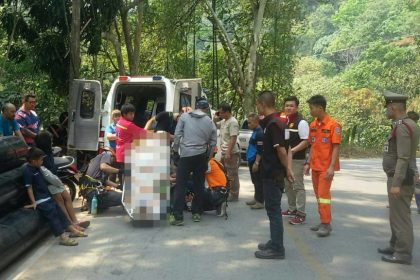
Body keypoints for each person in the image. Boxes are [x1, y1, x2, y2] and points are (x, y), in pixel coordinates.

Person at [379, 92, 419, 265]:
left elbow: (404, 157)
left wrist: (396, 183)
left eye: (387, 107)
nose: (386, 111)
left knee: (401, 216)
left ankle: (402, 253)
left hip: (399, 178)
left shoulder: (402, 126)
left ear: (393, 107)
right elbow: (411, 155)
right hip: (400, 176)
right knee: (396, 215)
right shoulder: (405, 124)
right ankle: (395, 245)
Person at [254, 90, 293, 260]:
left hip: (273, 174)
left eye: (258, 104)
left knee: (274, 211)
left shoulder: (274, 124)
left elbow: (282, 150)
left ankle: (277, 248)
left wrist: (288, 169)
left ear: (263, 104)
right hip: (271, 173)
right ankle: (274, 241)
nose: (257, 108)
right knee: (272, 210)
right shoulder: (278, 121)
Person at [23, 148, 87, 246]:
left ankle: (72, 230)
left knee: (60, 213)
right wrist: (33, 202)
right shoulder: (28, 171)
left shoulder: (38, 168)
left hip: (47, 197)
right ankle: (63, 237)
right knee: (53, 217)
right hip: (41, 200)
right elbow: (29, 188)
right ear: (33, 161)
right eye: (41, 160)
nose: (42, 161)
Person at [170, 97, 217, 225]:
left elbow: (177, 135)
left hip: (185, 156)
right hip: (201, 156)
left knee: (181, 185)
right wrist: (208, 157)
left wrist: (175, 152)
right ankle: (197, 212)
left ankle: (178, 217)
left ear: (196, 106)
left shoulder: (185, 117)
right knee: (199, 185)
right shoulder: (209, 121)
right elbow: (213, 143)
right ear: (207, 108)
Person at [35, 131, 89, 231]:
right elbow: (45, 172)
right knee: (60, 202)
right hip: (50, 182)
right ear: (45, 142)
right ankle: (69, 224)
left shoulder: (48, 152)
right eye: (50, 140)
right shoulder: (41, 155)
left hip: (56, 180)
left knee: (67, 197)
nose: (52, 141)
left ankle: (75, 221)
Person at [304, 95, 341, 238]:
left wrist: (332, 167)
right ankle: (323, 221)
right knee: (319, 195)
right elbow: (312, 146)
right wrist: (308, 163)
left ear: (320, 108)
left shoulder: (333, 125)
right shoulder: (313, 125)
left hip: (326, 168)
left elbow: (336, 148)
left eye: (312, 108)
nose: (310, 111)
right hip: (315, 166)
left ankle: (326, 224)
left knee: (324, 195)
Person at [281, 96, 309, 225]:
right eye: (287, 105)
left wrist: (293, 151)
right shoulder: (285, 121)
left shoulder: (301, 122)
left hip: (297, 159)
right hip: (286, 159)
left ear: (296, 107)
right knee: (288, 185)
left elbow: (306, 141)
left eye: (291, 106)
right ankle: (292, 209)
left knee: (297, 185)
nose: (288, 108)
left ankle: (301, 214)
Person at [80, 147, 123, 212]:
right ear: (113, 155)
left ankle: (93, 203)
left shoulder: (96, 159)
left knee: (116, 196)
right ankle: (94, 204)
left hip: (89, 192)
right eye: (115, 160)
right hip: (95, 192)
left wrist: (118, 186)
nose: (114, 162)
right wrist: (119, 171)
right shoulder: (107, 155)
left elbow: (104, 180)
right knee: (124, 198)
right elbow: (103, 167)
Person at [213, 102, 240, 201]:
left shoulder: (233, 122)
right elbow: (215, 124)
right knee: (224, 172)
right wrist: (216, 117)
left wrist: (228, 152)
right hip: (224, 151)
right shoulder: (224, 121)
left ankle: (234, 194)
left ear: (227, 112)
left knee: (232, 174)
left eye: (221, 113)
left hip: (231, 152)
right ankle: (227, 191)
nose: (220, 115)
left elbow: (233, 138)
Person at [244, 113, 264, 209]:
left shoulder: (260, 133)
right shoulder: (255, 131)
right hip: (251, 159)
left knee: (258, 181)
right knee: (255, 180)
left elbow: (260, 150)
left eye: (250, 123)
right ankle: (256, 198)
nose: (248, 125)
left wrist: (256, 162)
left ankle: (260, 201)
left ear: (256, 122)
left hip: (255, 160)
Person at [203, 148, 228, 216]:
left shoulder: (208, 163)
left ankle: (219, 202)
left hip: (217, 190)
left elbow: (200, 172)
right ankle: (219, 203)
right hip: (223, 189)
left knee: (200, 192)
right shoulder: (214, 161)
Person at [407, 111, 420, 214]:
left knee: (411, 184)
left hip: (407, 159)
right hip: (412, 159)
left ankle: (406, 206)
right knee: (415, 183)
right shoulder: (416, 129)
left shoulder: (409, 129)